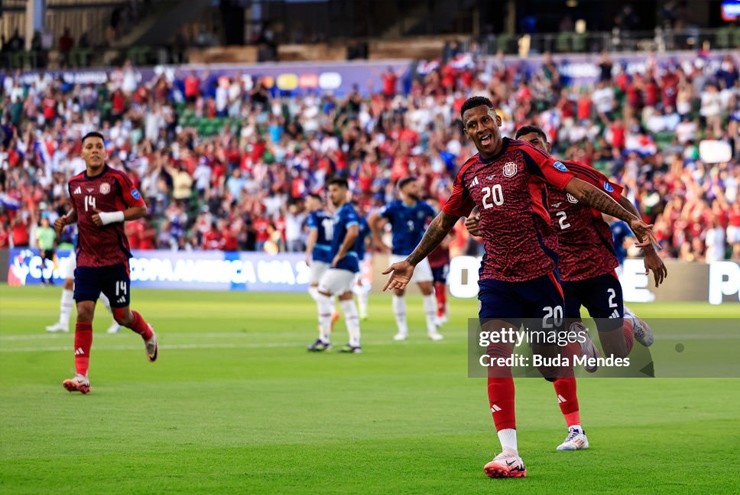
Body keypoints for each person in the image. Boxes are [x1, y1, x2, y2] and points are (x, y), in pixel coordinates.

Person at [382, 96, 657, 479]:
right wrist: (412, 260)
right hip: (496, 276)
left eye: (485, 121)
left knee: (551, 365)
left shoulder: (525, 157)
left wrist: (631, 219)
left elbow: (578, 187)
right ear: (466, 132)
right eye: (472, 125)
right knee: (496, 356)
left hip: (543, 275)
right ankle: (509, 454)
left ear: (497, 120)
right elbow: (445, 220)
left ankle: (616, 322)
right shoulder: (468, 174)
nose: (481, 129)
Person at [467, 125, 667, 451]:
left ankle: (626, 321)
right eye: (526, 146)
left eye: (538, 144)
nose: (533, 150)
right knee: (565, 356)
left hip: (597, 269)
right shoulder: (517, 182)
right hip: (556, 275)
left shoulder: (572, 174)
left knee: (616, 351)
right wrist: (474, 221)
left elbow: (621, 200)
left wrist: (646, 246)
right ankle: (575, 429)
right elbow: (486, 213)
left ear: (547, 145)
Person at [53, 131, 158, 394]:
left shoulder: (117, 178)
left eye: (99, 146)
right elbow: (80, 209)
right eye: (89, 147)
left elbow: (141, 208)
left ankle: (147, 333)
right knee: (84, 311)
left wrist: (111, 217)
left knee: (122, 316)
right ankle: (82, 376)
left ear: (105, 151)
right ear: (82, 153)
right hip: (87, 259)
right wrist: (67, 219)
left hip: (115, 260)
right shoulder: (74, 183)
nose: (95, 150)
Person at [370, 177, 443, 341]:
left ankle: (432, 329)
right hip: (398, 255)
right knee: (398, 290)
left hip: (418, 255)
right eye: (413, 186)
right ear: (402, 189)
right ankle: (402, 330)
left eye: (418, 186)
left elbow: (440, 219)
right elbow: (372, 219)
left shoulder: (424, 207)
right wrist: (379, 242)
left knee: (427, 289)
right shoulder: (393, 207)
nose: (417, 189)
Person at [307, 177, 362, 353]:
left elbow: (353, 232)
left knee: (322, 293)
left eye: (336, 190)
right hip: (347, 262)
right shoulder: (339, 213)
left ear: (346, 191)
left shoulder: (347, 211)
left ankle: (324, 339)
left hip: (344, 262)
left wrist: (341, 252)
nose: (332, 194)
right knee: (346, 299)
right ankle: (355, 342)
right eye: (330, 191)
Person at [45, 244, 121, 335]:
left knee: (93, 285)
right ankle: (63, 323)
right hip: (77, 249)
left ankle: (118, 315)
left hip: (91, 250)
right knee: (69, 283)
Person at [304, 193, 339, 336]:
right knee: (325, 288)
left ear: (314, 202)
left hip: (319, 254)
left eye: (307, 201)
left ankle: (331, 312)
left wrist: (308, 253)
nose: (306, 204)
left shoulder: (314, 216)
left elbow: (314, 233)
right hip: (331, 254)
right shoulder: (331, 216)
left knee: (313, 287)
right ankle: (325, 320)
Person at [35, 215, 56, 286]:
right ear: (42, 222)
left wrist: (54, 250)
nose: (46, 222)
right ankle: (42, 280)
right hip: (43, 250)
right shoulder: (40, 230)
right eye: (44, 220)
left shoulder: (51, 231)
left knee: (52, 265)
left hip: (50, 249)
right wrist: (40, 250)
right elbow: (37, 241)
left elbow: (54, 241)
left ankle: (50, 279)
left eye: (47, 220)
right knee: (43, 265)